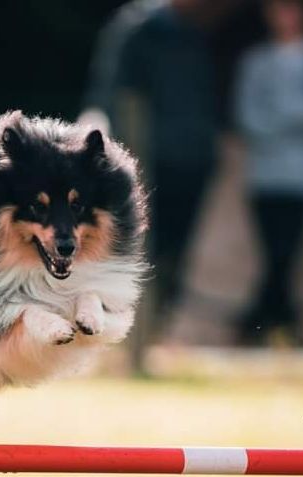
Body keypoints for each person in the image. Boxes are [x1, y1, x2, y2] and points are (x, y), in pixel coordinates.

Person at [81, 0, 220, 336]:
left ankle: (157, 329)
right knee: (143, 248)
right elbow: (110, 91)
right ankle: (134, 335)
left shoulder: (195, 33)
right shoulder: (136, 27)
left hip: (193, 157)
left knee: (176, 250)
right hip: (147, 159)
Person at [234, 0, 303, 341]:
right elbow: (247, 114)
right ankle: (283, 323)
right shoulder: (256, 61)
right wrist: (291, 116)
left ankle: (261, 320)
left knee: (288, 251)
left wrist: (275, 114)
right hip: (264, 171)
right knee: (273, 250)